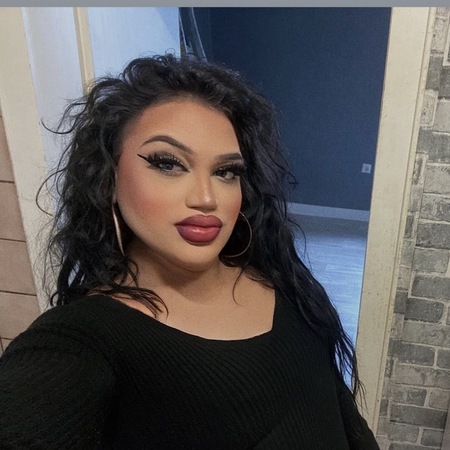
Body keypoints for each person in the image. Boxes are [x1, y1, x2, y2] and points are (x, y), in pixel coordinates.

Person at [0, 54, 379, 449]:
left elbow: (341, 418)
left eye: (226, 172)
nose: (206, 198)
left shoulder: (282, 281)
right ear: (108, 179)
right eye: (168, 164)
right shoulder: (78, 344)